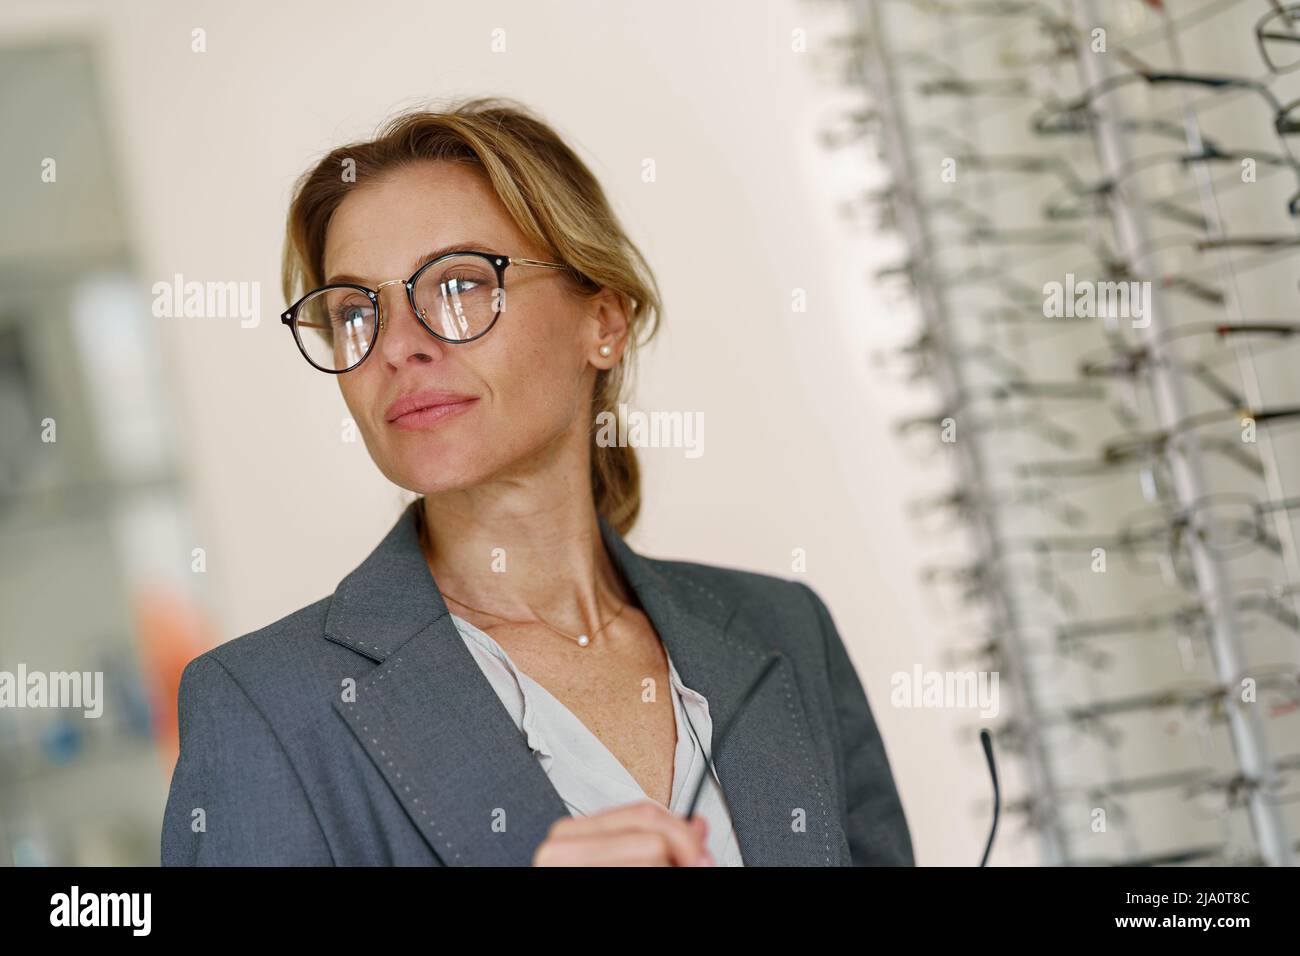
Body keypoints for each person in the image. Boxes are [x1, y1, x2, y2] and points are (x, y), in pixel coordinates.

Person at [160, 96, 913, 867]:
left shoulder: (784, 631)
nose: (398, 348)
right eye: (358, 311)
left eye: (457, 286)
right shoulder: (266, 709)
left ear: (604, 322)